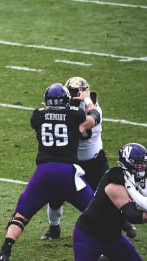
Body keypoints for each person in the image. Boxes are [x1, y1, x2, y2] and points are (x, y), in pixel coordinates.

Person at [0, 83, 95, 261]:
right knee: (96, 211)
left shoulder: (38, 115)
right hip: (67, 172)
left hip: (44, 172)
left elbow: (52, 119)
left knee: (21, 215)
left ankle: (5, 250)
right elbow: (93, 118)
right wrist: (87, 99)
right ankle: (108, 249)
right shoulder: (74, 115)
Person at [41, 77, 136, 241]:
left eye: (74, 92)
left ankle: (124, 223)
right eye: (69, 92)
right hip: (71, 162)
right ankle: (53, 228)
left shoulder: (85, 111)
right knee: (55, 197)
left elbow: (89, 117)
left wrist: (84, 100)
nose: (70, 95)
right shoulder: (83, 109)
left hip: (93, 162)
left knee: (109, 196)